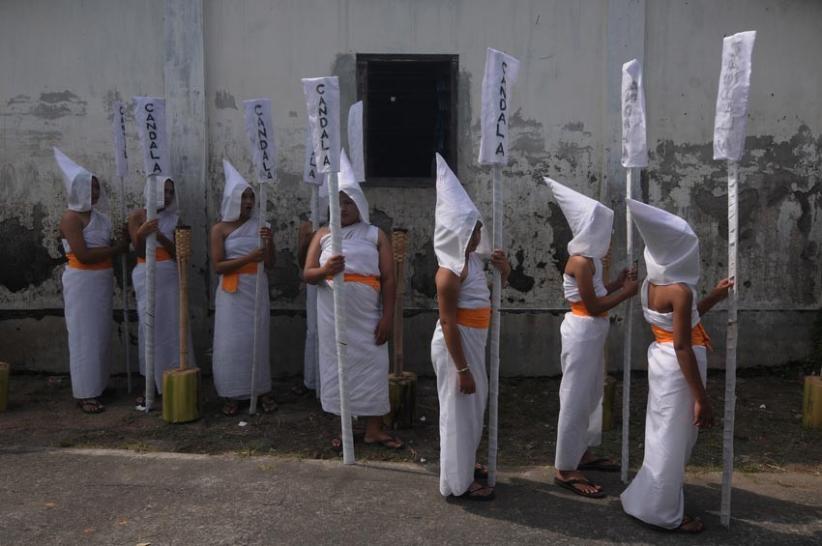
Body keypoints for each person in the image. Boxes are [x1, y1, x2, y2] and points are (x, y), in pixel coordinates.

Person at [620, 198, 732, 533]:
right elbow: (683, 343)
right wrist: (701, 398)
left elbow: (682, 322)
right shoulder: (680, 291)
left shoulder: (650, 285)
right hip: (680, 366)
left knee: (662, 433)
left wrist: (714, 296)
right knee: (673, 438)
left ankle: (650, 499)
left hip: (663, 359)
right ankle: (663, 512)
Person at [544, 178, 638, 498]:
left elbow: (598, 293)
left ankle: (580, 451)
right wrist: (627, 293)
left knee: (591, 393)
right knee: (575, 396)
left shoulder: (593, 259)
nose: (607, 236)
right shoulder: (580, 261)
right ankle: (564, 467)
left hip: (594, 330)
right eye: (602, 230)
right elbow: (594, 305)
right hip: (582, 331)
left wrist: (618, 284)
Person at [303, 150, 401, 450]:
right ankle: (344, 429)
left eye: (349, 202)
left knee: (374, 366)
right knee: (337, 368)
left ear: (359, 203)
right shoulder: (323, 234)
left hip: (368, 315)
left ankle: (373, 429)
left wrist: (387, 317)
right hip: (333, 317)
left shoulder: (375, 235)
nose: (344, 207)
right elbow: (307, 274)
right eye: (339, 202)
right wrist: (326, 270)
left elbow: (389, 278)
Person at [430, 154, 510, 501]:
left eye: (478, 228)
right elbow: (448, 321)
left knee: (472, 410)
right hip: (457, 346)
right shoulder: (448, 272)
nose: (478, 234)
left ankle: (463, 466)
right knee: (458, 412)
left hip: (473, 341)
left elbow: (492, 291)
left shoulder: (473, 262)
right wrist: (462, 369)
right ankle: (458, 483)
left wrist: (504, 269)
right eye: (473, 229)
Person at [55, 148, 128, 413]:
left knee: (100, 334)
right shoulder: (70, 218)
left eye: (97, 187)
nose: (94, 192)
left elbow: (108, 245)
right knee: (83, 335)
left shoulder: (102, 219)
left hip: (102, 280)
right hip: (82, 281)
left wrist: (122, 239)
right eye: (89, 187)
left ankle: (99, 384)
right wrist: (117, 248)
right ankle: (86, 392)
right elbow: (84, 255)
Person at [210, 160, 276, 415]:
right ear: (232, 199)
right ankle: (232, 393)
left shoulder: (261, 226)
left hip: (257, 288)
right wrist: (249, 258)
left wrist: (268, 243)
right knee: (231, 343)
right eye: (243, 197)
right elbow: (218, 266)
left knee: (257, 340)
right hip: (232, 293)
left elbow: (270, 263)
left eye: (251, 197)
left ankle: (261, 390)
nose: (248, 201)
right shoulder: (219, 229)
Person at [128, 175, 195, 406]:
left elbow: (180, 252)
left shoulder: (174, 218)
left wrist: (160, 236)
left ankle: (175, 375)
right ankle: (151, 383)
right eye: (163, 191)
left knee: (172, 325)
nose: (166, 196)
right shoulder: (137, 216)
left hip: (169, 273)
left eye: (170, 192)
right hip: (145, 272)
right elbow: (137, 250)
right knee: (149, 327)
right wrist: (142, 232)